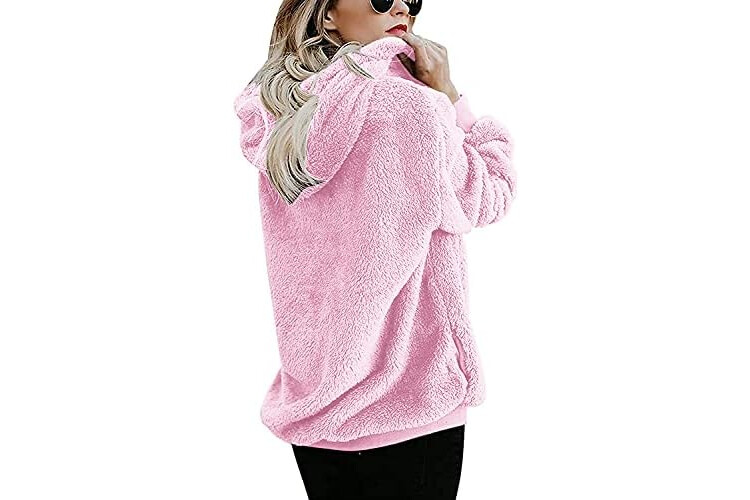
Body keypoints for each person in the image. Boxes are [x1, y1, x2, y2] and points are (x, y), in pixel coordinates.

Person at [233, 0, 517, 497]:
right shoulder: (412, 108)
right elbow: (491, 194)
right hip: (409, 399)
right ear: (326, 13)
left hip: (316, 405)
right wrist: (449, 94)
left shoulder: (282, 115)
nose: (402, 6)